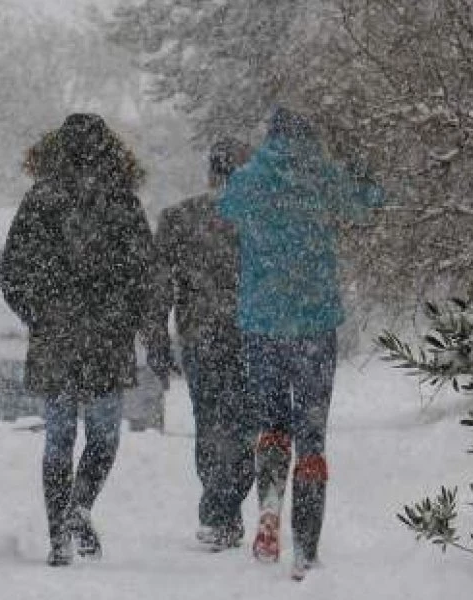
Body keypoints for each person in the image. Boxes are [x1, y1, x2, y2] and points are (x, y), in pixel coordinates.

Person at [218, 107, 382, 577]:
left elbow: (226, 207)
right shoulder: (320, 175)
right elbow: (366, 204)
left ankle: (269, 505)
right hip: (313, 326)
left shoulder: (250, 177)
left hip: (262, 326)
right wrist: (361, 172)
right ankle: (306, 549)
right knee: (312, 436)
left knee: (271, 422)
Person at [0, 113, 168, 567]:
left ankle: (59, 533)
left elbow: (12, 270)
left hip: (55, 335)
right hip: (107, 337)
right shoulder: (122, 202)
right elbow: (146, 273)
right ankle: (80, 506)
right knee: (103, 435)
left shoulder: (39, 200)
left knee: (58, 438)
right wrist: (145, 326)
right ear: (111, 150)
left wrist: (38, 313)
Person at [155, 138, 255, 551]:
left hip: (200, 335)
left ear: (210, 171)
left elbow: (159, 285)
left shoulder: (179, 217)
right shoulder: (261, 218)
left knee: (210, 421)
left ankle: (219, 511)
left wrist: (158, 336)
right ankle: (226, 505)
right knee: (245, 423)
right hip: (252, 336)